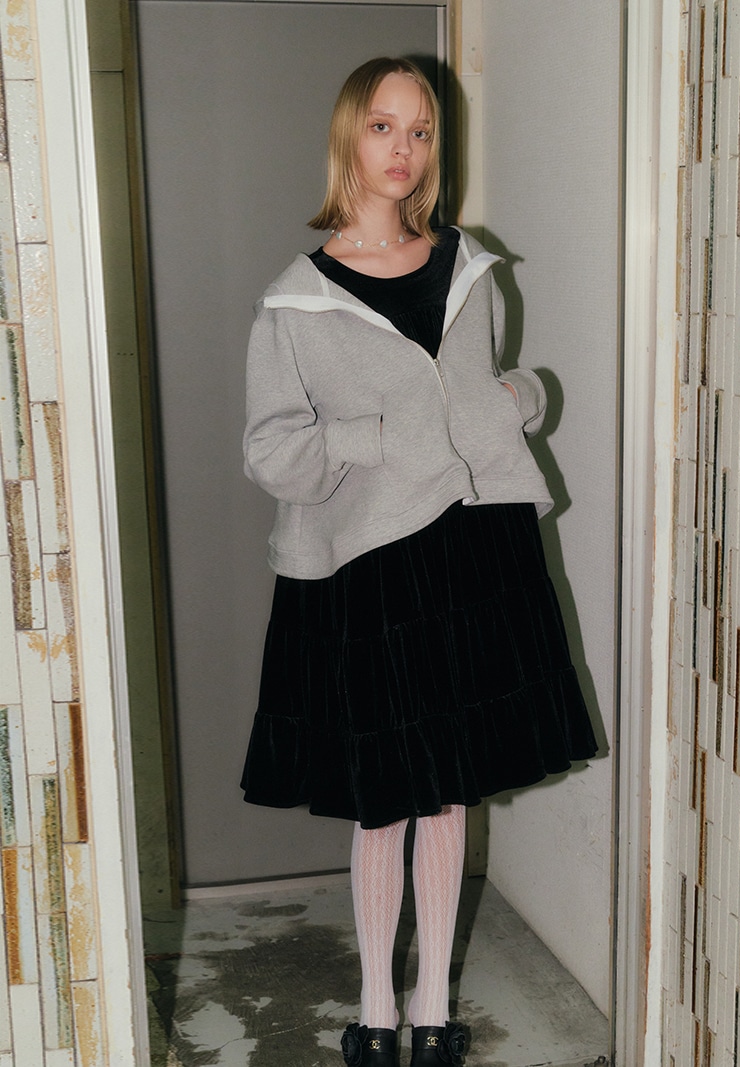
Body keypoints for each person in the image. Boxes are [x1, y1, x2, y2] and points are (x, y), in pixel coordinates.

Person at [240, 56, 598, 1067]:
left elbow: (493, 388)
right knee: (383, 798)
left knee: (448, 792)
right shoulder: (296, 302)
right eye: (383, 126)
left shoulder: (469, 266)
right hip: (373, 565)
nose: (402, 149)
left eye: (421, 130)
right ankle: (373, 1010)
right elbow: (271, 450)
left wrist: (523, 399)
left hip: (475, 547)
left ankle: (433, 1009)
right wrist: (370, 438)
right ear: (348, 136)